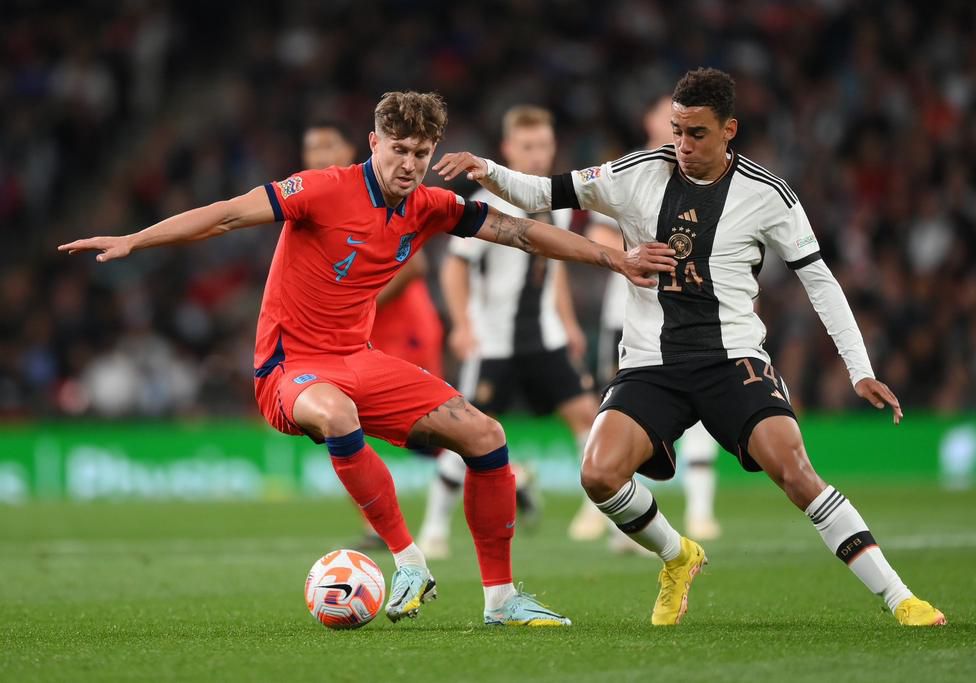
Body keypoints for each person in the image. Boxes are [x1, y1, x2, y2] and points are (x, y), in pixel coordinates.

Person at [60, 90, 674, 627]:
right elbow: (226, 215)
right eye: (399, 150)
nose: (409, 165)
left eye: (421, 153)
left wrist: (615, 259)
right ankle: (409, 563)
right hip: (289, 367)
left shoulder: (430, 205)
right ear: (374, 142)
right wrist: (136, 238)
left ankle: (501, 599)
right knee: (335, 412)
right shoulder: (324, 189)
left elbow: (521, 231)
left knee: (485, 435)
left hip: (357, 358)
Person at [434, 68, 946, 627]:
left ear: (730, 130)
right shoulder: (636, 173)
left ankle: (900, 598)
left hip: (733, 359)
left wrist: (859, 368)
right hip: (652, 363)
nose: (682, 145)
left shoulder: (768, 195)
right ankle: (678, 556)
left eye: (696, 133)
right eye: (676, 130)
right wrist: (487, 169)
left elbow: (819, 280)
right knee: (598, 474)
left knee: (796, 471)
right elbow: (544, 191)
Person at [417, 105, 600, 559]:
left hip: (545, 338)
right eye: (527, 146)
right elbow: (453, 269)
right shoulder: (491, 202)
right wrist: (462, 324)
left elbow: (552, 271)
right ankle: (434, 527)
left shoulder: (552, 204)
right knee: (462, 433)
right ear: (507, 149)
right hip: (493, 341)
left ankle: (605, 516)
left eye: (543, 145)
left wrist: (570, 323)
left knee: (590, 419)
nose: (537, 155)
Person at [580, 95, 722, 547]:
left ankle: (700, 511)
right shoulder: (625, 173)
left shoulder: (709, 182)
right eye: (671, 121)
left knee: (698, 409)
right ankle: (616, 516)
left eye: (689, 125)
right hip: (627, 319)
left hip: (692, 318)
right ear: (649, 121)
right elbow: (596, 235)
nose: (680, 131)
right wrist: (635, 250)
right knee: (620, 411)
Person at [302, 121, 444, 552]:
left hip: (404, 330)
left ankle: (509, 480)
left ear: (357, 148)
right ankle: (377, 523)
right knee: (340, 429)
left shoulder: (378, 195)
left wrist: (356, 302)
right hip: (355, 340)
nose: (321, 153)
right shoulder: (317, 198)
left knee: (429, 434)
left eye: (330, 144)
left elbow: (415, 266)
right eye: (312, 147)